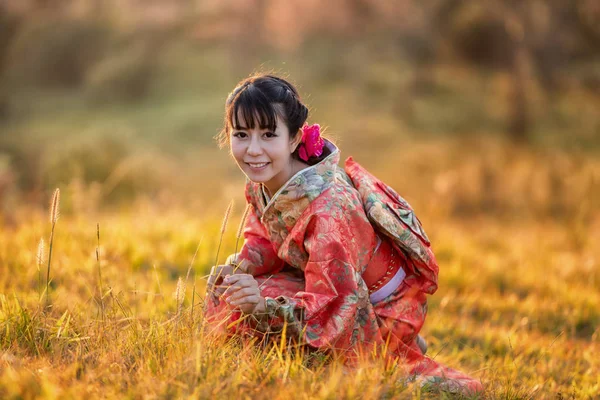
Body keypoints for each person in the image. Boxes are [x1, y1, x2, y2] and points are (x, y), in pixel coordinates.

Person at [204, 73, 483, 394]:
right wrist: (240, 268)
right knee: (229, 295)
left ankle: (394, 348)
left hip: (368, 304)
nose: (253, 150)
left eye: (268, 134)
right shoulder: (264, 179)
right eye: (241, 134)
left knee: (340, 369)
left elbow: (337, 305)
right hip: (330, 285)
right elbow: (265, 238)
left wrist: (262, 307)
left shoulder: (328, 209)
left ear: (294, 139)